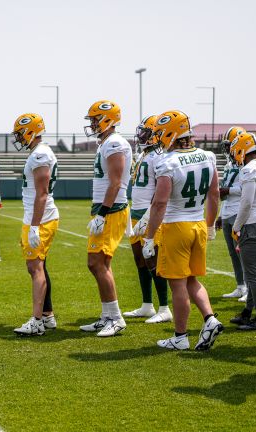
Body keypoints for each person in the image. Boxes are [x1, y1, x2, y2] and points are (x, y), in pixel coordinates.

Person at [139, 110, 223, 351]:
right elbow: (214, 193)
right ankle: (210, 319)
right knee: (191, 280)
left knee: (177, 285)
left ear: (170, 133)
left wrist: (148, 237)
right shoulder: (207, 156)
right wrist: (209, 224)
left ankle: (180, 336)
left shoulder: (168, 162)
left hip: (176, 226)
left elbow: (160, 203)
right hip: (198, 224)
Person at [79, 100, 132, 337]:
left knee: (96, 263)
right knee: (101, 264)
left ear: (108, 118)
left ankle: (116, 317)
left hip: (110, 210)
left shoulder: (114, 143)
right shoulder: (107, 143)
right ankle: (107, 316)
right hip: (106, 208)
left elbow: (116, 182)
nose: (92, 124)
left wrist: (102, 212)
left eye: (94, 119)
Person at [10, 113, 60, 336]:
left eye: (21, 133)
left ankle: (37, 321)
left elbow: (42, 193)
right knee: (39, 266)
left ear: (31, 131)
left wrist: (33, 226)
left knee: (35, 268)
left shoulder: (40, 154)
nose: (19, 138)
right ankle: (47, 316)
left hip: (40, 217)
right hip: (37, 215)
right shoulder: (39, 152)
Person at [122, 116, 171, 324]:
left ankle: (164, 308)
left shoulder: (159, 157)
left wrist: (148, 215)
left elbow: (160, 192)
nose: (141, 136)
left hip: (148, 215)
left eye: (146, 132)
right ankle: (147, 305)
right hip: (135, 213)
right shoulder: (144, 154)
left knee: (153, 259)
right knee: (139, 260)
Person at [228, 132, 256, 331]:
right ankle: (248, 312)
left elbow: (246, 202)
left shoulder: (249, 169)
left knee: (253, 274)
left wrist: (237, 226)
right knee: (253, 271)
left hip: (253, 223)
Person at [216, 126, 248, 301]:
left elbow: (246, 189)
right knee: (232, 252)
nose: (227, 148)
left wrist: (228, 190)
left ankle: (250, 287)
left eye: (229, 144)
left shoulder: (246, 163)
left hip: (239, 212)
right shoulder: (230, 164)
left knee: (242, 251)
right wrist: (221, 214)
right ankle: (240, 285)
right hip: (228, 211)